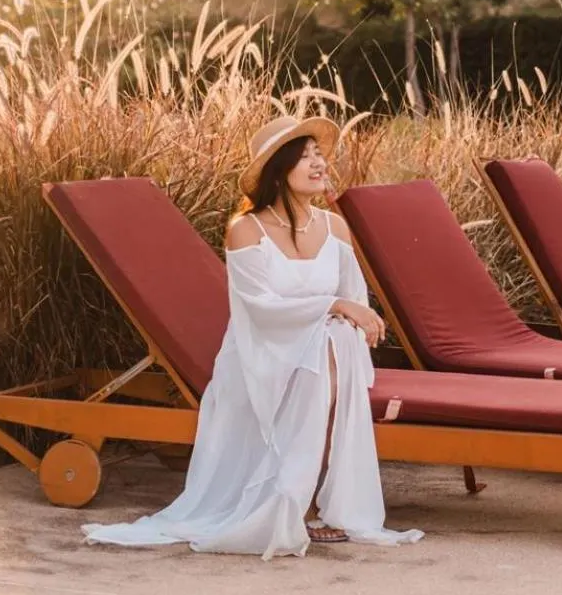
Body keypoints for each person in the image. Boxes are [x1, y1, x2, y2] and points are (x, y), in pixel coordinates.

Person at [82, 115, 423, 558]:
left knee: (332, 344)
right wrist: (334, 307)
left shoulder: (334, 227)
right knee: (326, 345)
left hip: (322, 356)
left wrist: (344, 312)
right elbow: (260, 309)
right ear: (280, 171)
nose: (320, 164)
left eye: (320, 155)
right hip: (261, 356)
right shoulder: (246, 231)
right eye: (306, 158)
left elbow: (353, 297)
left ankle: (296, 496)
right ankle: (292, 501)